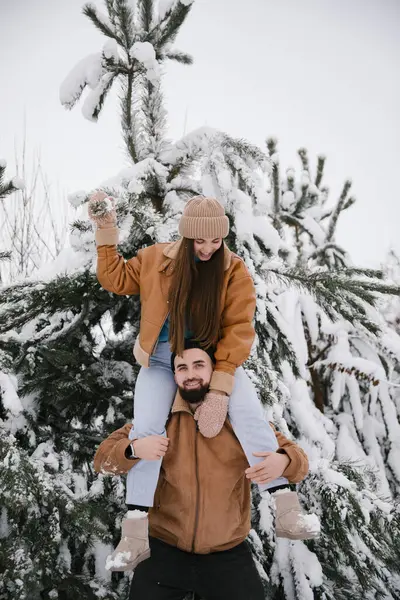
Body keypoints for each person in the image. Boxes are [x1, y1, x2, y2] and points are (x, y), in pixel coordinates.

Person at [89, 192, 314, 571]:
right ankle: (135, 536)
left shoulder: (233, 270)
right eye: (201, 240)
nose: (209, 248)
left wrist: (222, 387)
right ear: (185, 235)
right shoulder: (156, 259)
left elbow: (240, 328)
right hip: (162, 361)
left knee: (249, 415)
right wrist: (106, 229)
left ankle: (284, 508)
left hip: (212, 363)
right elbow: (114, 277)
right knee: (146, 434)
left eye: (216, 240)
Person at [94, 343, 311, 599]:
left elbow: (300, 463)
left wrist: (284, 461)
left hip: (227, 554)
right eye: (182, 367)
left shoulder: (240, 423)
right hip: (164, 550)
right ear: (174, 376)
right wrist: (133, 449)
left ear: (213, 371)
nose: (190, 374)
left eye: (199, 365)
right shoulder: (156, 421)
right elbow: (102, 460)